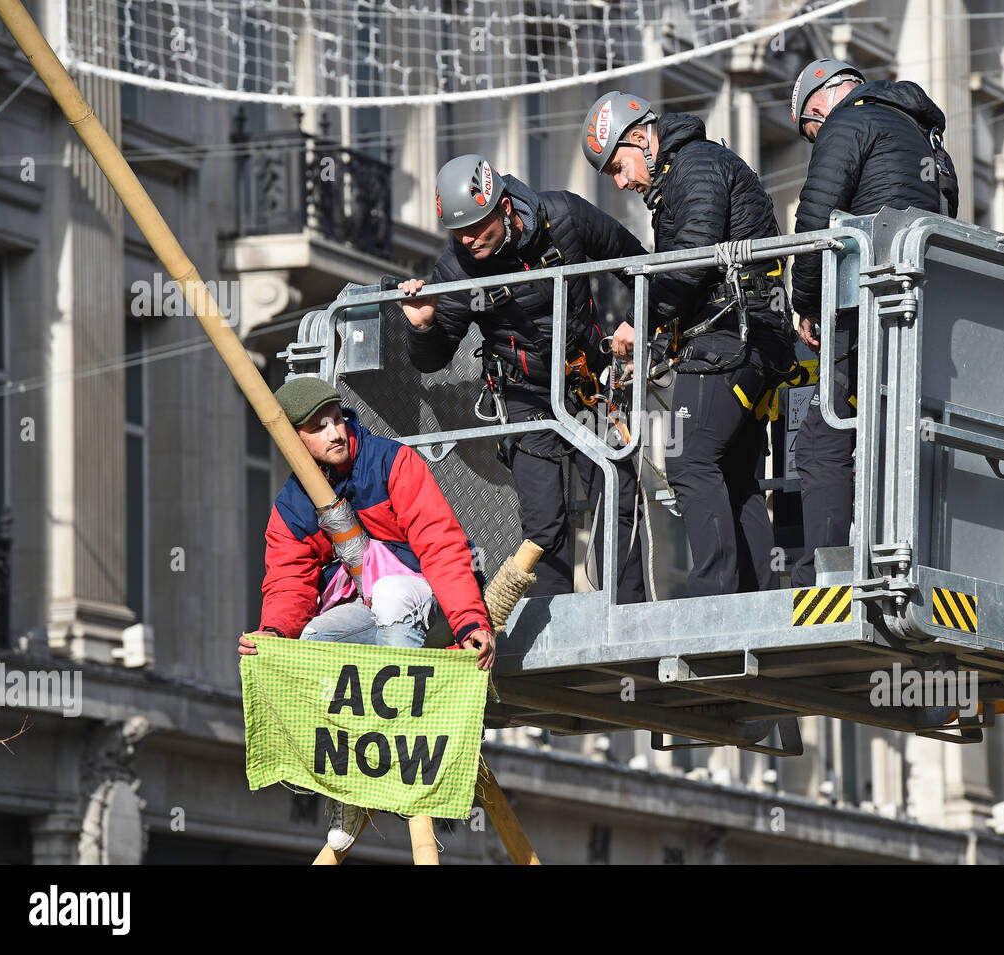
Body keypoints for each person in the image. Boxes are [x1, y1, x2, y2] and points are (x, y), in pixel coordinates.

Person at [238, 376, 493, 851]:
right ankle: (351, 784)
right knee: (315, 640)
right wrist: (272, 635)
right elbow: (288, 583)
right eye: (318, 426)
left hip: (430, 608)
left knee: (395, 592)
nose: (334, 432)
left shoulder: (392, 462)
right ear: (295, 440)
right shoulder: (293, 507)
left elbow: (441, 546)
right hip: (376, 614)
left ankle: (404, 747)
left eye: (336, 419)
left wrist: (470, 621)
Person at [390, 154, 648, 604]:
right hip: (522, 395)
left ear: (504, 207)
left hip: (587, 384)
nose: (468, 239)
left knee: (617, 493)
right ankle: (554, 626)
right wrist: (423, 326)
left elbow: (641, 265)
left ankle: (629, 617)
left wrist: (632, 321)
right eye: (458, 231)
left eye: (477, 226)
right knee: (544, 523)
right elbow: (431, 361)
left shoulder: (565, 216)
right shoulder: (455, 270)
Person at [581, 91, 797, 597]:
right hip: (744, 335)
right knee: (732, 472)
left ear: (639, 138)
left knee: (690, 460)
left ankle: (712, 598)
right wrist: (654, 337)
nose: (621, 181)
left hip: (734, 340)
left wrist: (639, 321)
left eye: (619, 165)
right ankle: (757, 595)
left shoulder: (695, 167)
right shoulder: (687, 169)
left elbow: (692, 257)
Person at [788, 59, 959, 587]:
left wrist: (807, 300)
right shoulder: (924, 136)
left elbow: (816, 218)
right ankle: (903, 559)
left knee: (822, 441)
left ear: (820, 105)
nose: (816, 137)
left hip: (863, 302)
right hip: (920, 305)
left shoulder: (847, 121)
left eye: (809, 130)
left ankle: (825, 573)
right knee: (897, 431)